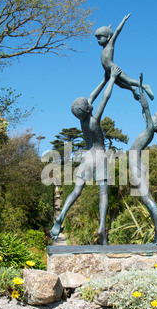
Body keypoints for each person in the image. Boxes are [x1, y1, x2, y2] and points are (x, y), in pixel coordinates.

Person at [50, 65, 122, 245]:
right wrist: (112, 78)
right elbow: (105, 97)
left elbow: (92, 96)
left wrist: (103, 80)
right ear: (89, 109)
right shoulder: (94, 119)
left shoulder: (82, 120)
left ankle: (61, 217)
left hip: (87, 156)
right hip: (99, 157)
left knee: (76, 190)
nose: (90, 103)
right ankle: (102, 228)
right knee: (103, 194)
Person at [129, 72, 157, 244]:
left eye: (154, 117)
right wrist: (136, 91)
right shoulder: (148, 130)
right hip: (135, 164)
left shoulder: (150, 130)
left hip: (136, 164)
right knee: (145, 198)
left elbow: (145, 108)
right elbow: (144, 112)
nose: (151, 117)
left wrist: (141, 88)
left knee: (146, 198)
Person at [95, 14, 154, 101]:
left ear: (108, 37)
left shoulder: (110, 45)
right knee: (121, 85)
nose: (98, 40)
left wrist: (123, 21)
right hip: (108, 71)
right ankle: (133, 89)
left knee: (128, 81)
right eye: (97, 38)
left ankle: (145, 86)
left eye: (100, 37)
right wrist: (108, 28)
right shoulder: (104, 48)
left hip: (113, 69)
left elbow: (117, 31)